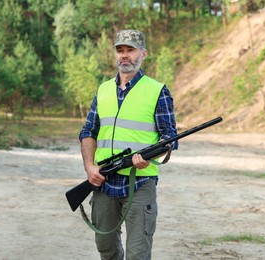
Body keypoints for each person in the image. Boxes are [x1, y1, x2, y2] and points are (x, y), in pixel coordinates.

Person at [79, 29, 178, 260]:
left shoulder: (157, 91)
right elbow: (88, 132)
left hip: (140, 182)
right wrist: (89, 167)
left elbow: (169, 137)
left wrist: (149, 158)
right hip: (104, 181)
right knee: (106, 248)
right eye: (120, 50)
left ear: (143, 53)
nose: (124, 55)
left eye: (130, 50)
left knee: (137, 253)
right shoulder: (103, 90)